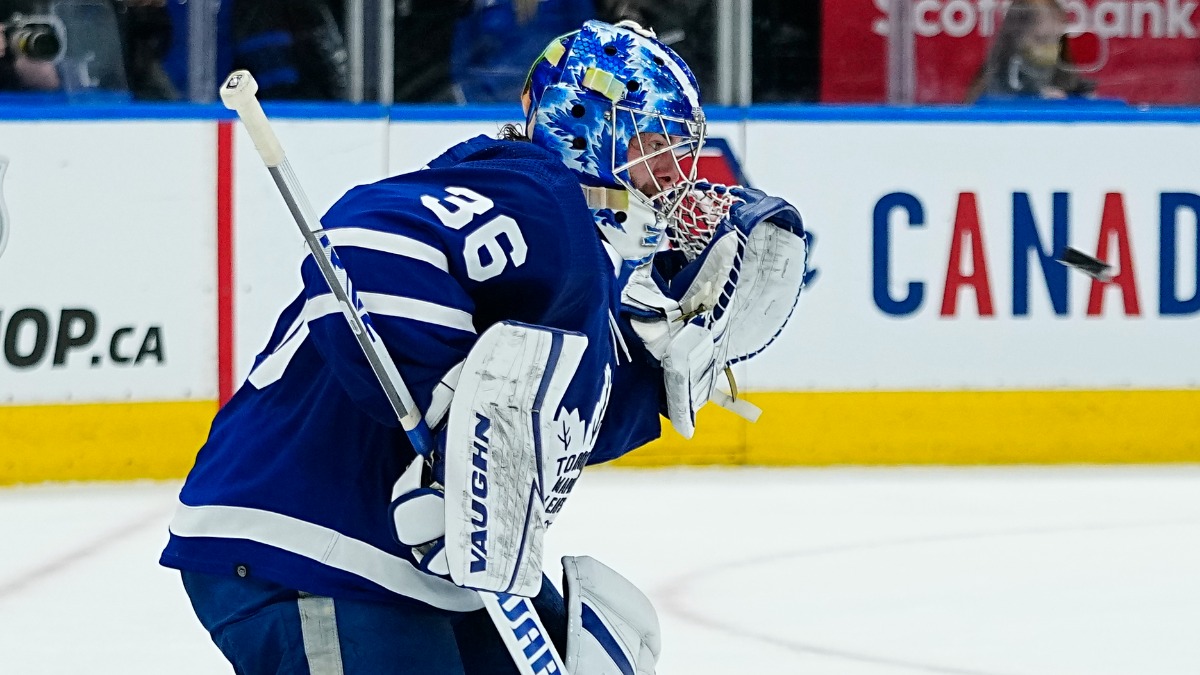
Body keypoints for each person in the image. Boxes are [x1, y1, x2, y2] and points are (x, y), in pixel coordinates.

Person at [161, 18, 808, 675]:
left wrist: (655, 372)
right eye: (655, 145)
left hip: (402, 563)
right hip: (311, 536)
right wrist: (442, 408)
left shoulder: (585, 266)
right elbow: (363, 247)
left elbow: (541, 425)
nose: (674, 175)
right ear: (589, 125)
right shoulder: (537, 198)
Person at [449, 0, 596, 103]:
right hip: (492, 103)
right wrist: (478, 104)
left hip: (553, 100)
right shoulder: (482, 5)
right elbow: (463, 60)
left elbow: (585, 45)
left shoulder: (568, 4)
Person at [965, 0, 1094, 103]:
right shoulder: (995, 82)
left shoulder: (1062, 74)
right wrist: (1036, 97)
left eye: (1058, 40)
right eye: (1041, 39)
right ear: (1016, 38)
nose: (1051, 47)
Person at [231, 0, 348, 100]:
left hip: (318, 108)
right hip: (295, 110)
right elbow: (280, 98)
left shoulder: (320, 9)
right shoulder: (260, 15)